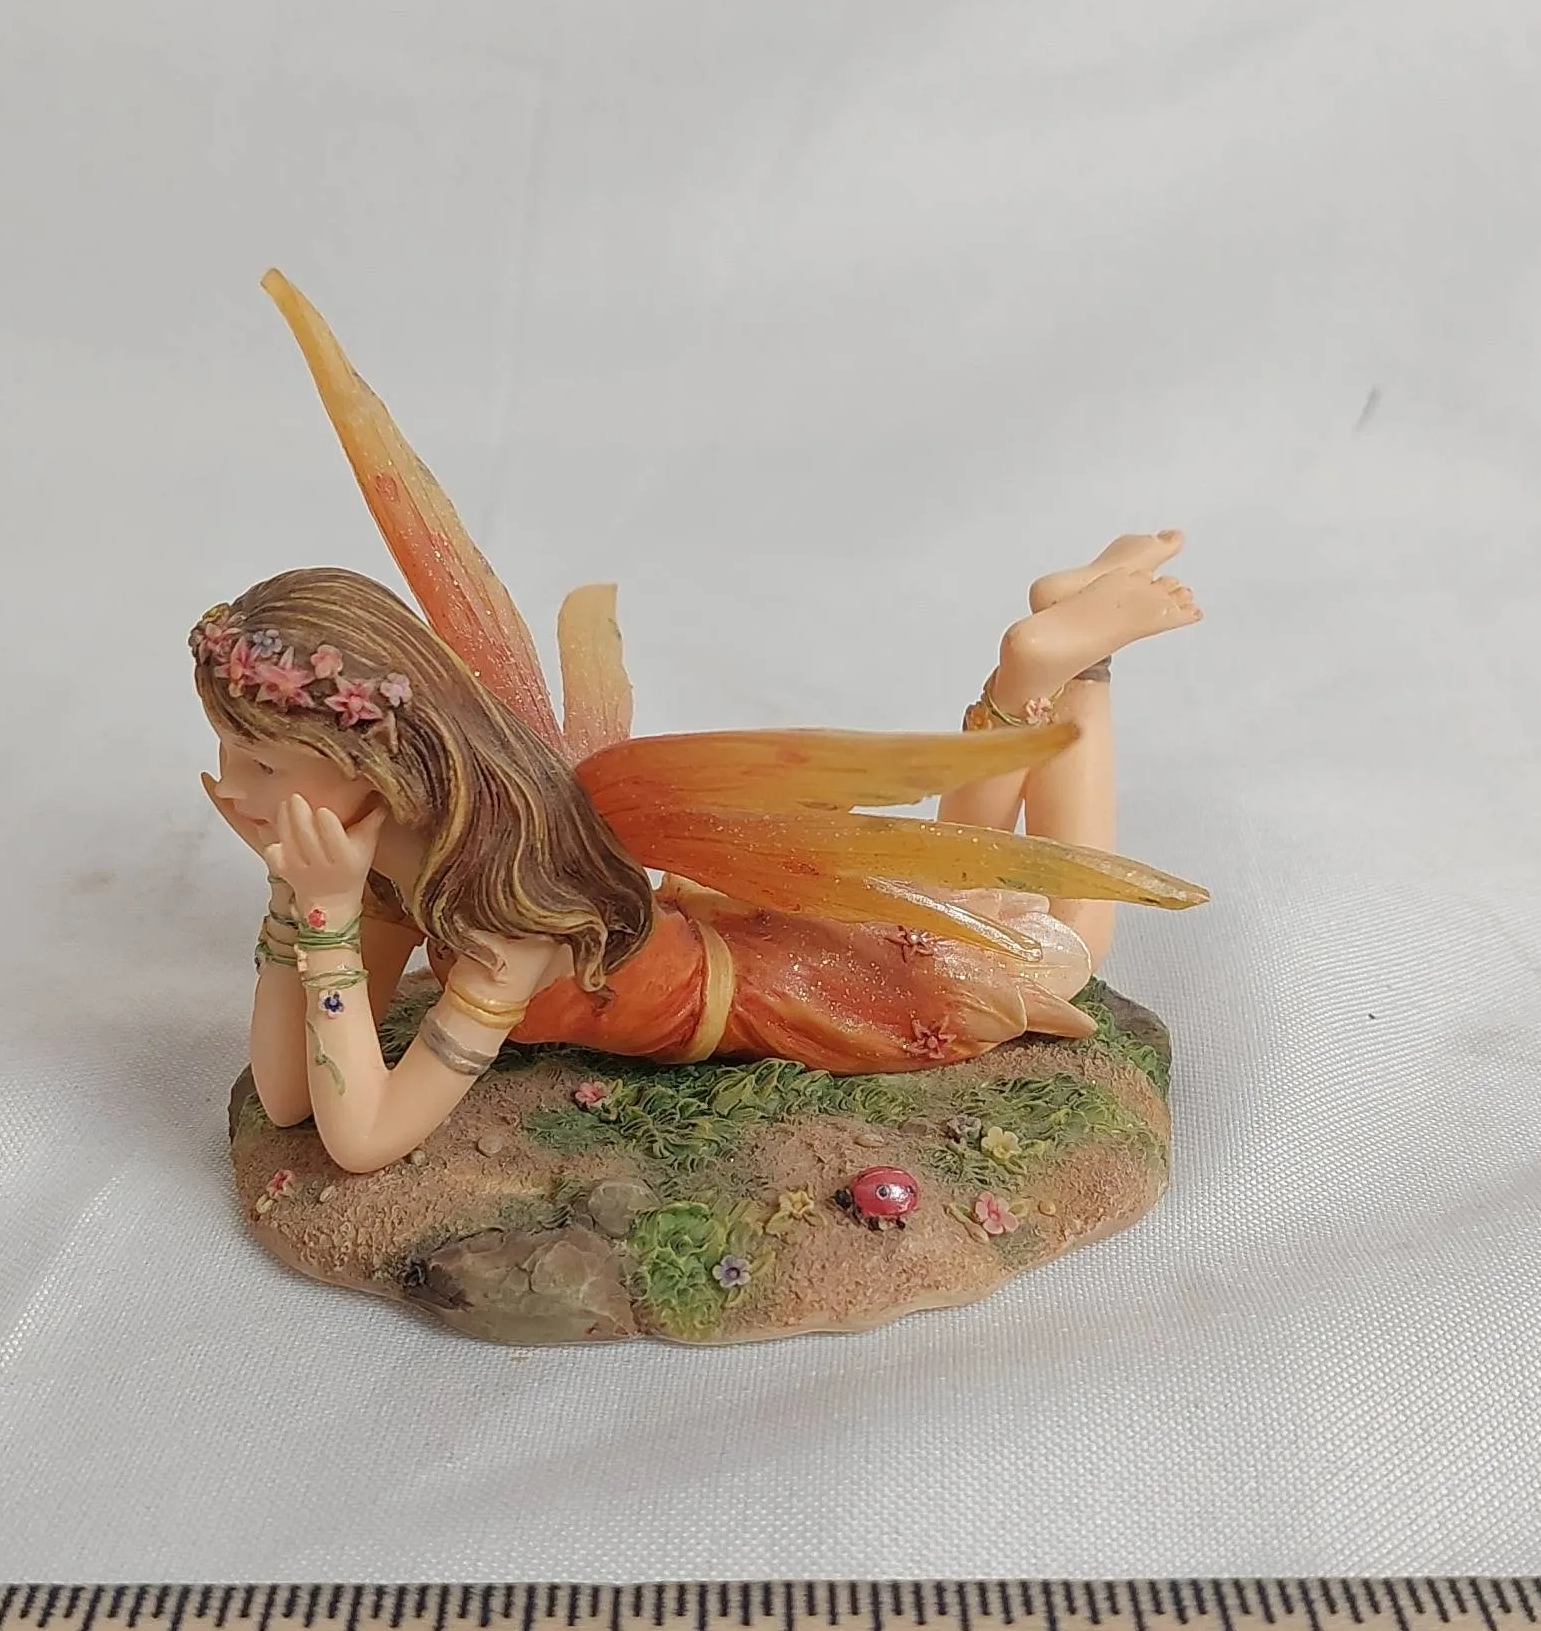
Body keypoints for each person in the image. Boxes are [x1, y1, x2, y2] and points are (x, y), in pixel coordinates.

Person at [193, 276, 1208, 1178]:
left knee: (1069, 939)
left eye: (262, 762)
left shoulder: (506, 921)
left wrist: (318, 919)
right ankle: (1038, 664)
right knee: (955, 889)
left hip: (784, 992)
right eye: (230, 751)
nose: (229, 789)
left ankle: (1070, 669)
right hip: (722, 927)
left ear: (374, 757)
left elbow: (364, 1139)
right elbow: (288, 1102)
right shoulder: (404, 864)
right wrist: (302, 899)